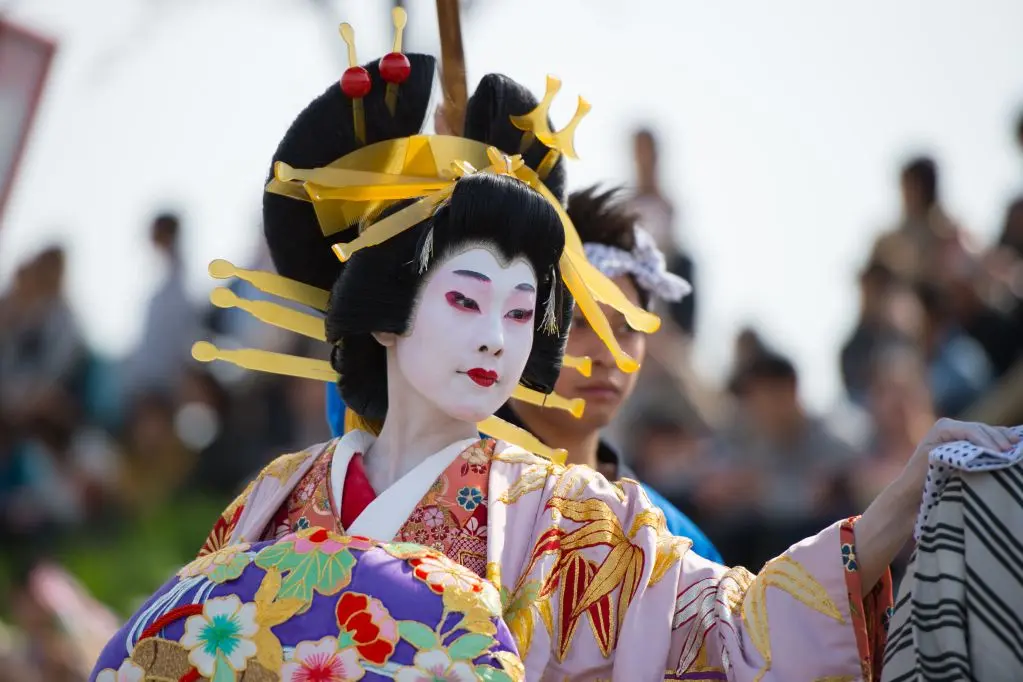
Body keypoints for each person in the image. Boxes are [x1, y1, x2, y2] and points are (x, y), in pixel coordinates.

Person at [116, 11, 1020, 679]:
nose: (498, 338)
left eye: (522, 313)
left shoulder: (585, 519)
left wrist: (890, 511)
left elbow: (733, 634)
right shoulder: (273, 499)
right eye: (466, 302)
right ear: (385, 314)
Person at [487, 185, 720, 561]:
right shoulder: (450, 492)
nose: (610, 354)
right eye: (578, 322)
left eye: (628, 328)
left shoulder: (676, 542)